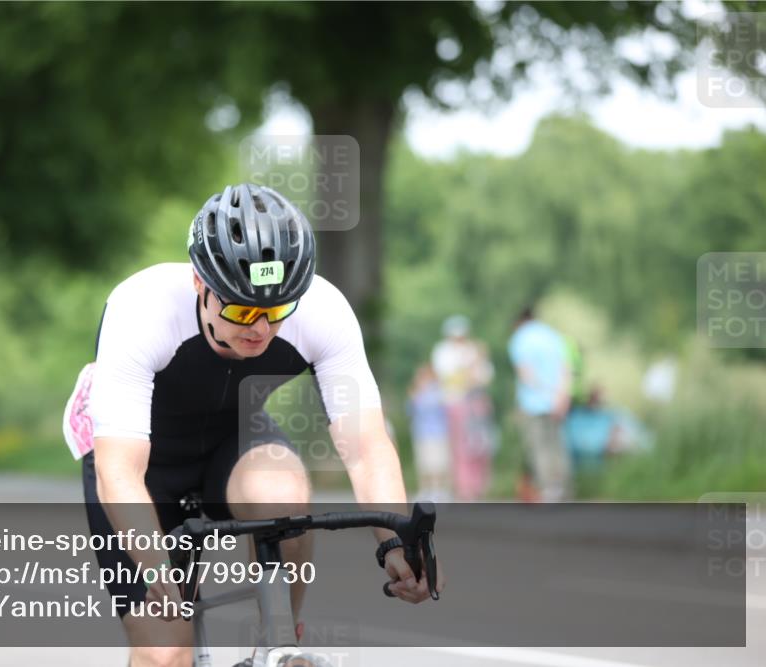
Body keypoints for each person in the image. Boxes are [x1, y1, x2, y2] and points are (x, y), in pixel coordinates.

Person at [63, 183, 440, 667]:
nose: (260, 328)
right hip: (140, 462)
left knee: (281, 490)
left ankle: (278, 644)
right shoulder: (142, 308)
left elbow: (365, 445)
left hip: (233, 439)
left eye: (277, 310)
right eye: (242, 310)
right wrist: (160, 570)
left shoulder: (322, 309)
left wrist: (395, 539)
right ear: (200, 283)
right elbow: (120, 472)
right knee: (163, 651)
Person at [507, 305, 573, 502]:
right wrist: (561, 396)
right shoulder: (553, 336)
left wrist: (545, 393)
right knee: (558, 445)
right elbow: (566, 368)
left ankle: (548, 489)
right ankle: (564, 489)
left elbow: (525, 373)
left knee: (539, 447)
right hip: (558, 400)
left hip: (533, 402)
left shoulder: (520, 339)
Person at [431, 315, 496, 501]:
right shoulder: (443, 352)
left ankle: (479, 486)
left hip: (476, 402)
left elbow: (484, 376)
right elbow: (450, 378)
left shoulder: (473, 349)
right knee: (460, 446)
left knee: (480, 445)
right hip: (456, 402)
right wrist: (469, 371)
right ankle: (463, 486)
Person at [407, 363, 451, 503]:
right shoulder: (416, 393)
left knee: (438, 464)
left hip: (437, 433)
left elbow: (440, 408)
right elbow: (410, 411)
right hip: (421, 433)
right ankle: (425, 490)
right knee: (423, 464)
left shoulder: (438, 392)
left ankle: (439, 491)